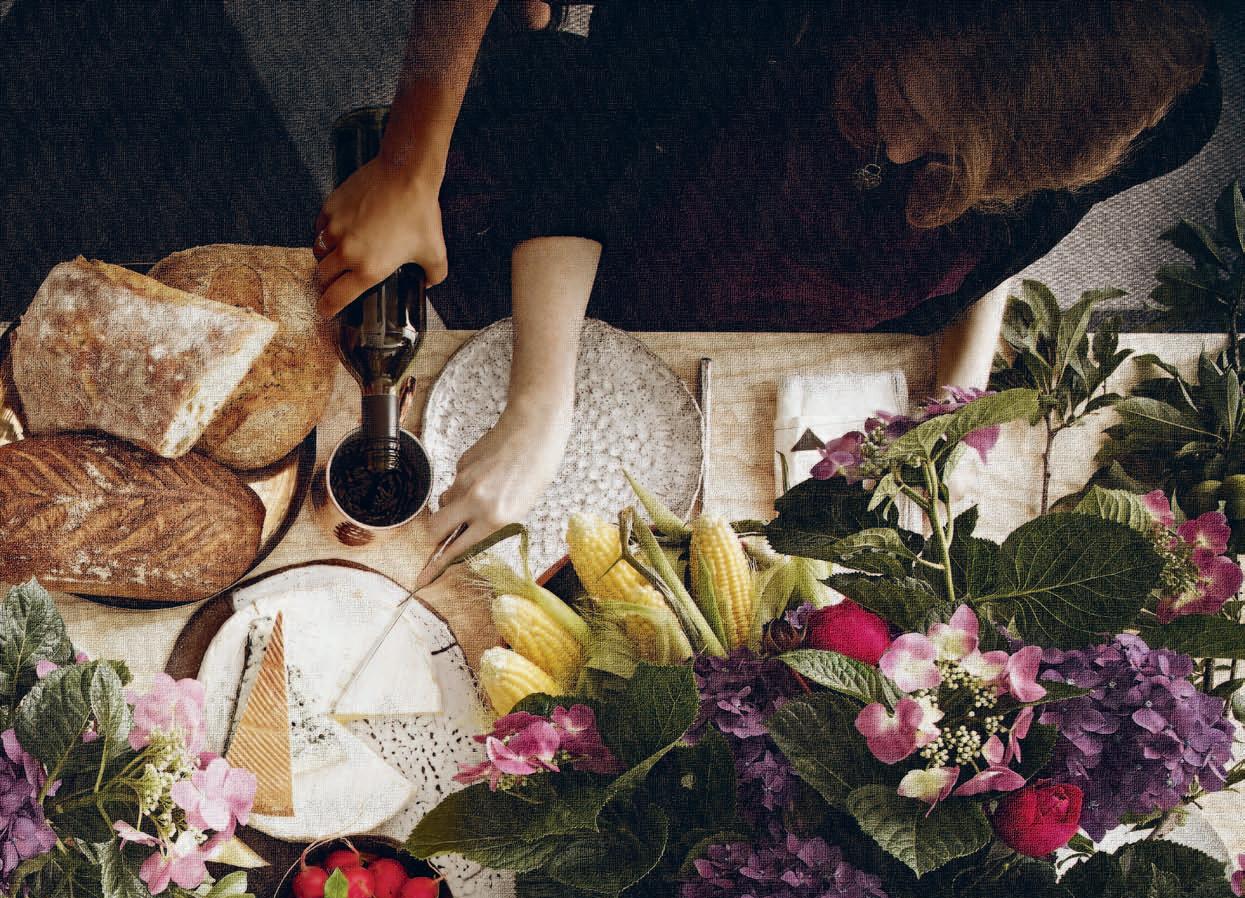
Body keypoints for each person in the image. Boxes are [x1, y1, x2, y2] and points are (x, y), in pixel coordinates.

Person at [312, 0, 1221, 574]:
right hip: (640, 210)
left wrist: (958, 395)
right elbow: (585, 156)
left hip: (797, 329)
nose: (900, 150)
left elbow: (1003, 247)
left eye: (947, 156)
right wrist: (538, 407)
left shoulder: (1161, 109)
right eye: (895, 100)